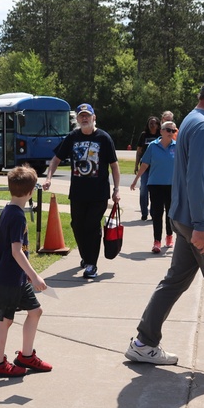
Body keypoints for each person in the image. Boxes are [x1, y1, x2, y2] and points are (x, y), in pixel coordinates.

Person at [125, 73, 204, 370]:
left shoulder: (192, 119)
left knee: (175, 281)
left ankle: (144, 343)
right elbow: (196, 178)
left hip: (184, 218)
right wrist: (203, 226)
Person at [0, 166, 53, 378]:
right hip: (8, 278)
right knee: (5, 321)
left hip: (18, 277)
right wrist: (34, 276)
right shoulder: (15, 216)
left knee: (35, 311)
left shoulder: (12, 210)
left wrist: (26, 275)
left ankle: (26, 357)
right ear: (30, 191)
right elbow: (16, 251)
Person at [43, 104, 121, 279]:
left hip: (98, 193)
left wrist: (116, 189)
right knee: (77, 225)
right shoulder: (72, 137)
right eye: (81, 116)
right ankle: (86, 257)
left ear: (94, 117)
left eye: (88, 116)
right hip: (78, 192)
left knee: (92, 226)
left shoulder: (104, 138)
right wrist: (48, 178)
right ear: (77, 119)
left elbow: (114, 166)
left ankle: (91, 264)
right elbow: (56, 159)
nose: (84, 119)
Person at [130, 120, 178, 253]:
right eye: (168, 130)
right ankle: (157, 241)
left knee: (170, 213)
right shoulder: (152, 146)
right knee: (157, 213)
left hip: (171, 185)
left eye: (173, 131)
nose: (171, 133)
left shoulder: (177, 146)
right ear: (161, 131)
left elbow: (183, 167)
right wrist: (136, 180)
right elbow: (144, 164)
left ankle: (169, 236)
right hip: (155, 184)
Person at [134, 117, 162, 221]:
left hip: (156, 168)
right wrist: (136, 165)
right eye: (150, 123)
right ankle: (144, 213)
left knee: (154, 191)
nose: (152, 125)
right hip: (145, 166)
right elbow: (139, 151)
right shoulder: (143, 135)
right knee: (143, 190)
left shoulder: (161, 135)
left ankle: (153, 213)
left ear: (158, 125)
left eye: (154, 123)